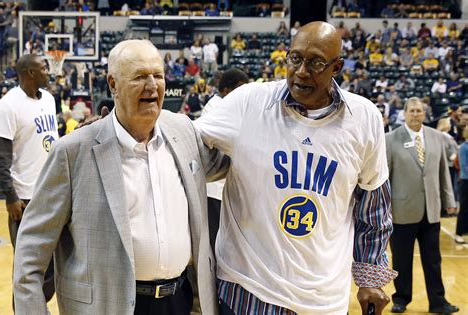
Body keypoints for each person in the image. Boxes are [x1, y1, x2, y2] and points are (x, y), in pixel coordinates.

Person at [195, 21, 397, 315]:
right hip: (248, 290)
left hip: (324, 299)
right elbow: (184, 140)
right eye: (295, 59)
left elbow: (374, 208)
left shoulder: (364, 119)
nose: (302, 71)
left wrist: (371, 279)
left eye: (315, 63)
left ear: (336, 67)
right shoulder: (249, 102)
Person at [13, 40, 224, 315]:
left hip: (178, 301)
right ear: (113, 84)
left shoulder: (183, 131)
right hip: (106, 306)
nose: (152, 85)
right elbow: (30, 253)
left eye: (158, 75)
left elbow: (228, 163)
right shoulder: (73, 152)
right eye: (139, 76)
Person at [0, 54, 58, 308]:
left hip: (52, 192)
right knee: (28, 270)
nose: (49, 72)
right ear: (30, 73)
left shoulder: (50, 99)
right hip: (24, 199)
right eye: (44, 68)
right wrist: (9, 196)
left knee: (52, 269)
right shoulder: (7, 107)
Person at [385, 97, 458, 314]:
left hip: (431, 210)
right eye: (412, 111)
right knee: (401, 259)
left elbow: (444, 172)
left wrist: (449, 201)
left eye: (419, 111)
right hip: (401, 210)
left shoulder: (437, 137)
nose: (416, 114)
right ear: (404, 113)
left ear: (425, 114)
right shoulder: (391, 139)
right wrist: (385, 207)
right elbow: (385, 178)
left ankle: (438, 302)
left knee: (433, 260)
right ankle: (401, 299)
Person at [201, 68, 249, 251]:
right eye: (240, 88)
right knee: (216, 242)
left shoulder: (226, 106)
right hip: (214, 188)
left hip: (225, 185)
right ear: (227, 90)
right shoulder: (217, 108)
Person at [456, 126, 468, 244]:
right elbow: (464, 167)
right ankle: (459, 234)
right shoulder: (464, 147)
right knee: (464, 208)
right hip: (466, 182)